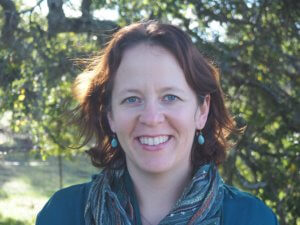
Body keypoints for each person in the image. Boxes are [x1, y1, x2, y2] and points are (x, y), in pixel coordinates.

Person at [36, 20, 278, 225]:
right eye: (132, 99)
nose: (151, 118)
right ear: (109, 114)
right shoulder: (62, 214)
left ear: (201, 111)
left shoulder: (252, 218)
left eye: (170, 97)